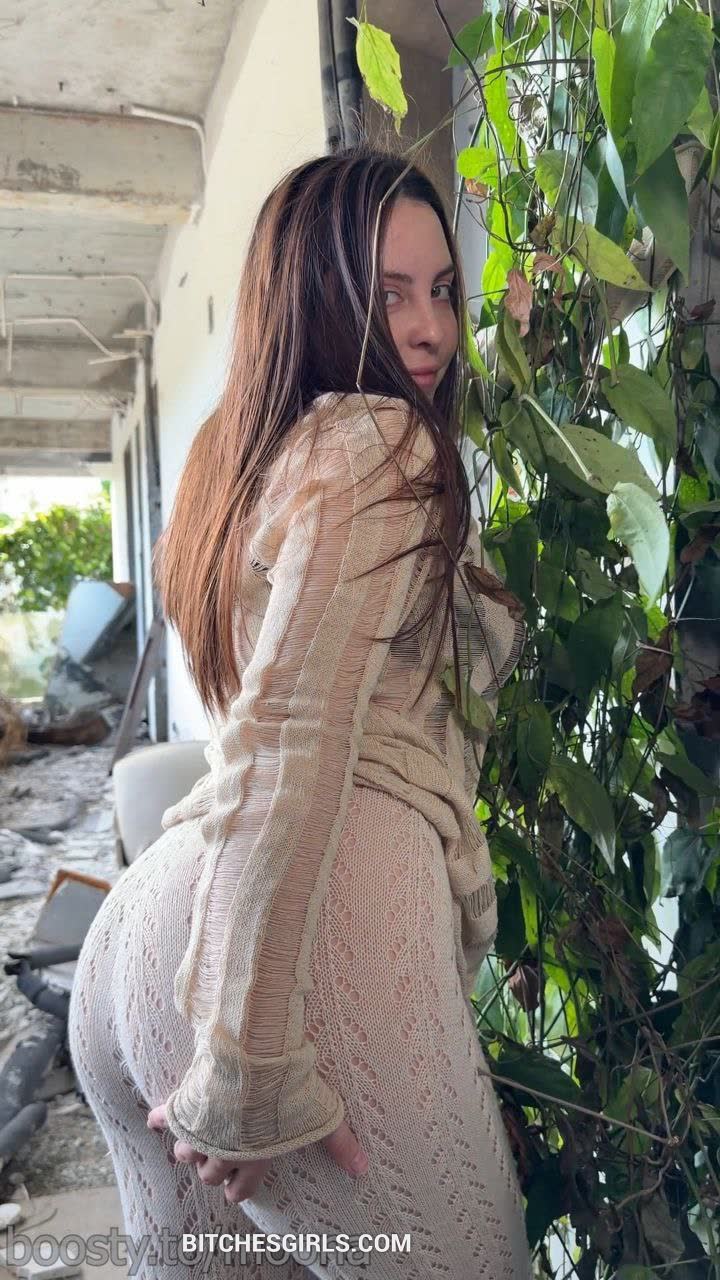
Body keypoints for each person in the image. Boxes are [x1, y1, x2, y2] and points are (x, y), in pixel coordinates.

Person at [68, 145, 531, 1279]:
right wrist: (247, 1055)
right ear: (314, 295)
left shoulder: (232, 460)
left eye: (442, 291)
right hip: (303, 948)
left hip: (145, 936)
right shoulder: (382, 446)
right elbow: (294, 735)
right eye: (389, 293)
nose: (430, 329)